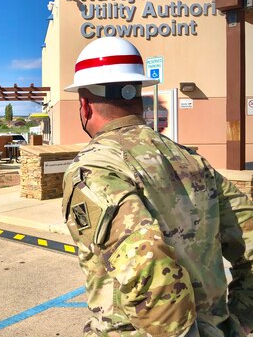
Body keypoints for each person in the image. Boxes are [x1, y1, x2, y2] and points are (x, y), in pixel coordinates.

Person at [62, 37, 253, 336]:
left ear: (84, 106)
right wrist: (240, 320)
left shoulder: (95, 168)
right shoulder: (191, 160)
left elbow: (149, 274)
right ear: (139, 98)